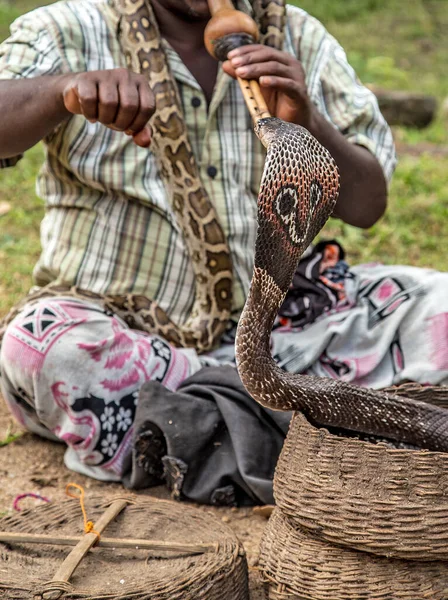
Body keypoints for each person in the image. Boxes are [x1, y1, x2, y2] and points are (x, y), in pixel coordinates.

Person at [0, 0, 446, 501]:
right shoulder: (67, 29)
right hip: (129, 337)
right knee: (40, 348)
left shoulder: (299, 35)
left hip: (284, 330)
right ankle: (329, 426)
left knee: (439, 306)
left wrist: (308, 122)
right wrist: (61, 90)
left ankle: (210, 432)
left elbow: (368, 204)